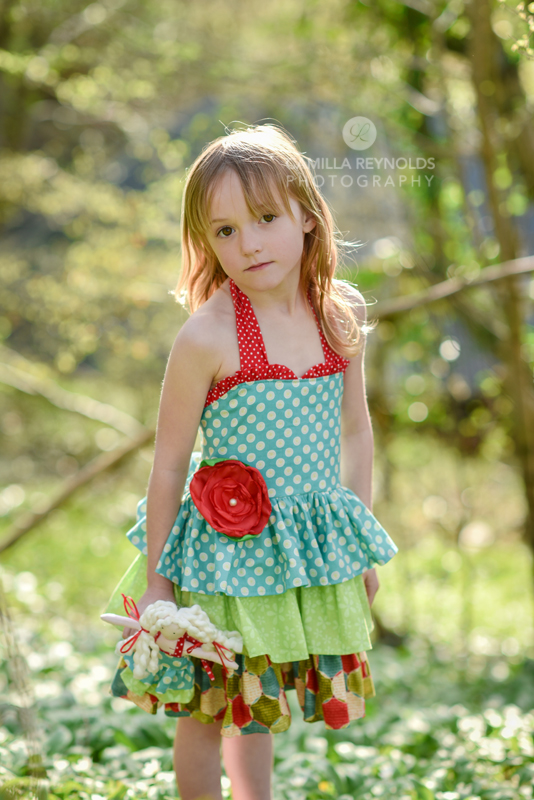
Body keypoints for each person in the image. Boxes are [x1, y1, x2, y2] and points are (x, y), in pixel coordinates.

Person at [104, 123, 398, 800]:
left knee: (258, 697)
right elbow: (171, 463)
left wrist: (358, 546)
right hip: (222, 551)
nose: (249, 243)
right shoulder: (206, 336)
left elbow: (356, 431)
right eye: (226, 230)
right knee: (212, 704)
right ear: (205, 240)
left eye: (265, 218)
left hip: (305, 545)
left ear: (306, 215)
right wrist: (157, 582)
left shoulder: (339, 314)